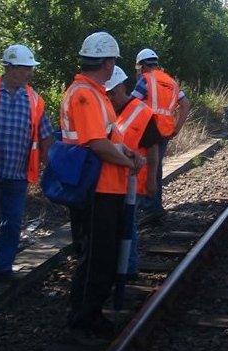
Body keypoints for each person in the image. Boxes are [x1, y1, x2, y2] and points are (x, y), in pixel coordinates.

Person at [60, 32, 143, 343]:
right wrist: (128, 162)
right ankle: (82, 318)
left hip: (105, 186)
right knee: (97, 256)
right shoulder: (85, 95)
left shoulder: (93, 93)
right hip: (95, 188)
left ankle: (91, 313)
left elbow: (108, 140)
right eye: (113, 62)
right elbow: (96, 144)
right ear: (107, 63)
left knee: (102, 254)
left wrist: (127, 152)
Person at [0, 44, 53, 281]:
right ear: (11, 68)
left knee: (12, 224)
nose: (30, 73)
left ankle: (3, 268)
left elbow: (46, 136)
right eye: (26, 69)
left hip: (17, 174)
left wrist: (51, 167)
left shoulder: (35, 100)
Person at [105, 65, 162, 278]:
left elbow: (153, 149)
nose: (111, 97)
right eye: (107, 93)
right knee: (118, 225)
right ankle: (118, 268)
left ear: (122, 87)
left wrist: (152, 180)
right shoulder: (105, 108)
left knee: (127, 224)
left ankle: (128, 269)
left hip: (132, 181)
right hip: (110, 181)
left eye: (113, 92)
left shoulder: (142, 112)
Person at [132, 48, 190, 219]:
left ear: (142, 66)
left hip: (146, 132)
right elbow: (185, 104)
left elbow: (132, 104)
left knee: (145, 167)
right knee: (156, 167)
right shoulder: (171, 82)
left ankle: (146, 207)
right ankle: (155, 207)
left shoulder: (145, 79)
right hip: (165, 131)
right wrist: (177, 127)